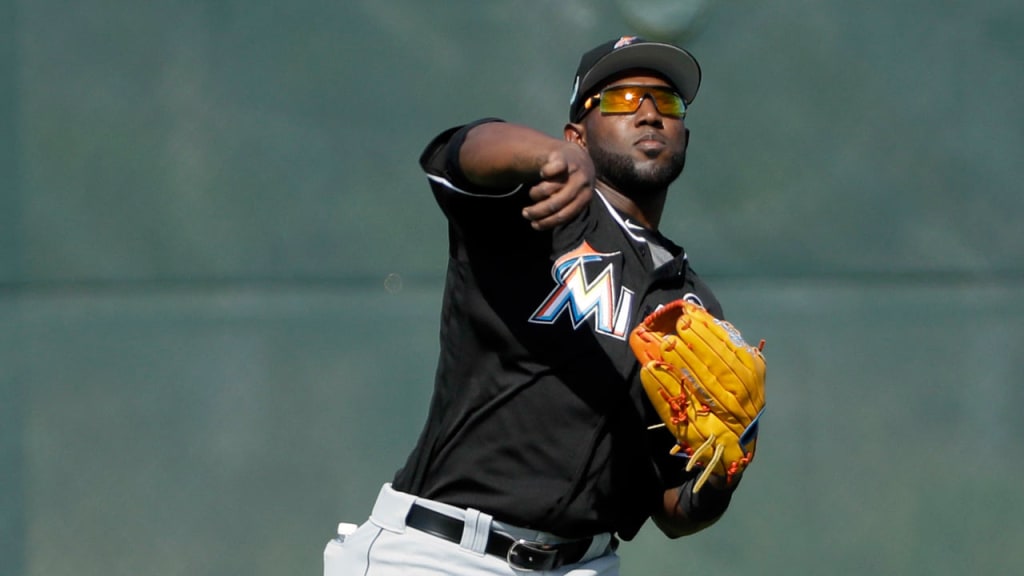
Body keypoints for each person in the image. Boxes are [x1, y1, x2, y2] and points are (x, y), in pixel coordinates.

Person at [325, 36, 744, 576]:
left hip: (585, 563)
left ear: (686, 134)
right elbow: (464, 149)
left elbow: (671, 508)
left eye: (668, 103)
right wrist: (551, 157)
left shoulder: (690, 307)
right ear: (579, 133)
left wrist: (720, 475)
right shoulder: (535, 207)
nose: (648, 113)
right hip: (442, 554)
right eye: (620, 99)